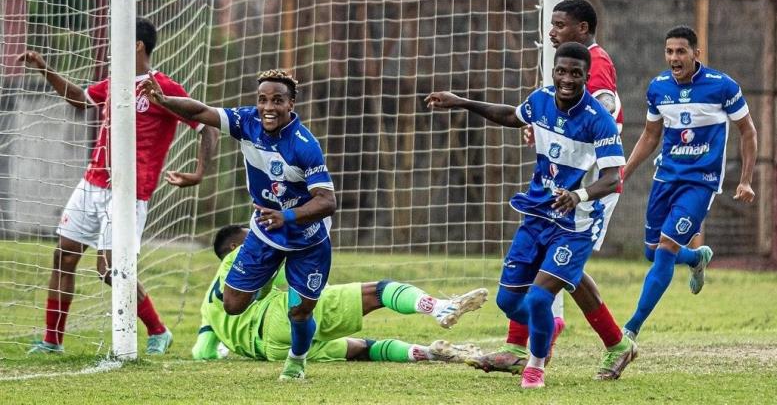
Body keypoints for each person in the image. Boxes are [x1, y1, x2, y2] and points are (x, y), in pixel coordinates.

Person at [425, 42, 627, 389]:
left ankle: (535, 365)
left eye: (575, 74)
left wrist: (577, 195)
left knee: (537, 298)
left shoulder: (599, 120)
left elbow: (613, 178)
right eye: (561, 71)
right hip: (536, 216)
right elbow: (510, 116)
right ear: (554, 71)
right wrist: (462, 101)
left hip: (574, 225)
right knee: (508, 301)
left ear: (586, 77)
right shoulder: (541, 100)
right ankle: (547, 328)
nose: (567, 79)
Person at [20, 17, 219, 355]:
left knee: (110, 270)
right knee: (63, 257)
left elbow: (208, 127)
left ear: (138, 45)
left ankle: (158, 331)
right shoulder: (115, 82)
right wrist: (44, 69)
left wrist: (199, 173)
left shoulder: (163, 87)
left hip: (129, 192)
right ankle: (52, 341)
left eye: (119, 39)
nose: (112, 47)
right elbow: (80, 99)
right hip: (92, 182)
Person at [469, 0, 635, 380]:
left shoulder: (596, 62)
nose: (551, 32)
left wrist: (566, 140)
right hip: (561, 186)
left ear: (582, 28)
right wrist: (543, 126)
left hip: (588, 185)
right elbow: (546, 113)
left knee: (559, 271)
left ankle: (529, 348)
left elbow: (604, 114)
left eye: (559, 25)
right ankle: (600, 343)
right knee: (562, 271)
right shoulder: (564, 72)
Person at [139, 68, 336, 380]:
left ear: (291, 104)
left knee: (300, 311)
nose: (268, 107)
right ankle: (265, 280)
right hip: (266, 229)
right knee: (231, 305)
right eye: (262, 99)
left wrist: (286, 216)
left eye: (277, 100)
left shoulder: (304, 145)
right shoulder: (246, 121)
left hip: (307, 238)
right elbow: (201, 111)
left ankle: (296, 362)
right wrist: (164, 101)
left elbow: (327, 202)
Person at [621, 26, 757, 341]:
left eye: (681, 51)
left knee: (666, 250)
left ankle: (630, 330)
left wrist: (746, 180)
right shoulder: (658, 88)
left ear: (696, 53)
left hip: (700, 182)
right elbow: (650, 135)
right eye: (669, 51)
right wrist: (624, 172)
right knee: (652, 252)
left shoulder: (722, 86)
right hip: (665, 178)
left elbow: (747, 130)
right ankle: (696, 258)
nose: (674, 58)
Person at [192, 225, 488, 366]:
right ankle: (438, 306)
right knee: (379, 291)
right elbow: (300, 281)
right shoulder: (246, 255)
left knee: (362, 348)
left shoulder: (208, 303)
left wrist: (222, 351)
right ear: (234, 248)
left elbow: (202, 351)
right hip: (279, 319)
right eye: (250, 236)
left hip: (272, 352)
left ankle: (430, 353)